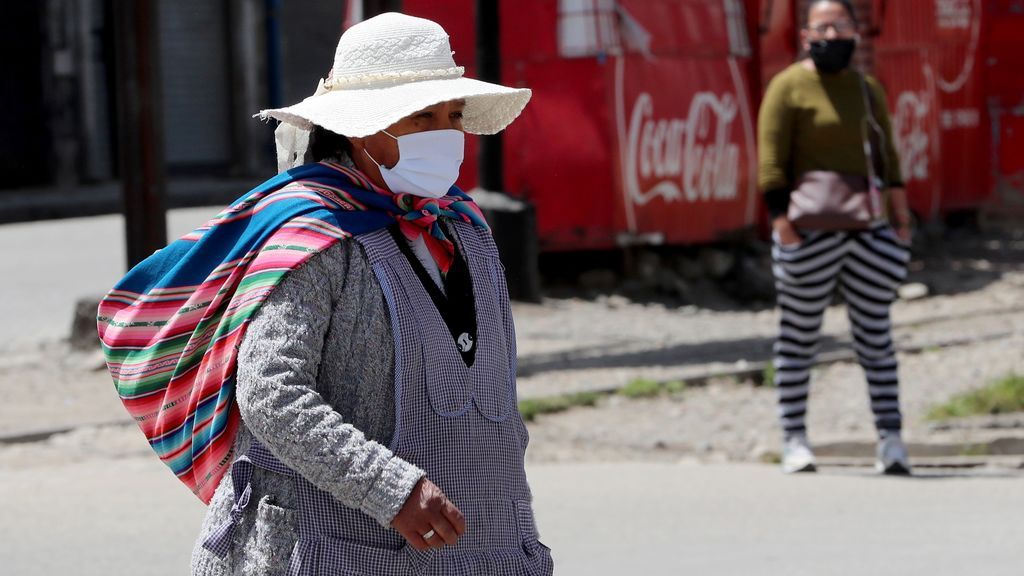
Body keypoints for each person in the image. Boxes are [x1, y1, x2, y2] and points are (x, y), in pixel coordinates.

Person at [97, 12, 552, 575]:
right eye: (422, 117)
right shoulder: (315, 237)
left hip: (480, 547)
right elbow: (271, 393)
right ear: (365, 129)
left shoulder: (464, 228)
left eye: (453, 115)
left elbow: (491, 401)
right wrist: (391, 489)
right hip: (325, 550)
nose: (445, 132)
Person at [757, 0, 913, 475]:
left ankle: (890, 438)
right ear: (805, 35)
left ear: (856, 31)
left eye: (841, 24)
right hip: (808, 232)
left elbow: (887, 158)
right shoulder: (787, 86)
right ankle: (794, 437)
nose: (832, 33)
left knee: (876, 337)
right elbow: (771, 162)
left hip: (867, 231)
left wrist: (902, 222)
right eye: (822, 25)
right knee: (798, 338)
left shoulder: (866, 89)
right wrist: (783, 226)